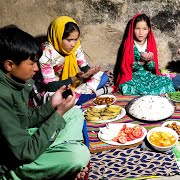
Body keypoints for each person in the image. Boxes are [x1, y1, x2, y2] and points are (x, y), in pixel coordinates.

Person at [0, 25, 90, 179]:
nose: (36, 69)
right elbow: (25, 152)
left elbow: (25, 119)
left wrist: (52, 105)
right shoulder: (2, 96)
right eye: (31, 63)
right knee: (78, 156)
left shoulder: (15, 82)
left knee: (74, 112)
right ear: (9, 65)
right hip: (13, 161)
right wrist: (59, 114)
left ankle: (62, 151)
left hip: (23, 141)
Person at [39, 16, 112, 105]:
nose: (73, 44)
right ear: (58, 36)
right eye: (69, 40)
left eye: (76, 39)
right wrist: (76, 78)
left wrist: (90, 72)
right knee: (58, 98)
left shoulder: (75, 46)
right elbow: (50, 86)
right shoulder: (46, 53)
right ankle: (91, 95)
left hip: (72, 83)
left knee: (103, 76)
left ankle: (78, 97)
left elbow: (84, 66)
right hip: (54, 88)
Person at [114, 13, 175, 95]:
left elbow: (152, 68)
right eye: (137, 28)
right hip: (133, 76)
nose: (141, 32)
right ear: (132, 29)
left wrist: (149, 61)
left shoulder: (150, 43)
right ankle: (148, 92)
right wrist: (141, 61)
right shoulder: (129, 45)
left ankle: (145, 93)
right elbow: (126, 68)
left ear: (149, 29)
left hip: (148, 76)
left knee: (168, 82)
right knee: (125, 86)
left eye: (144, 29)